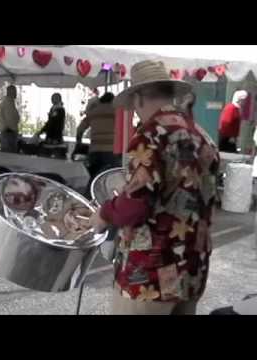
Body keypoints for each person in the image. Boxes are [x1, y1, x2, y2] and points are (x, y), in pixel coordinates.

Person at [89, 60, 220, 315]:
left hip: (150, 275)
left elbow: (135, 205)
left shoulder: (150, 134)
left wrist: (104, 213)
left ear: (137, 98)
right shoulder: (202, 134)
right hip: (192, 268)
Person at [75, 92, 119, 179]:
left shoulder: (93, 111)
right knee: (110, 179)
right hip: (111, 151)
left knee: (94, 178)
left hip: (94, 151)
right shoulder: (116, 111)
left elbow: (80, 130)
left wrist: (79, 142)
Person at [0, 85, 21, 153]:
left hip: (7, 133)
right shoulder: (8, 103)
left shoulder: (8, 102)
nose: (16, 93)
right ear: (10, 92)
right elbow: (10, 120)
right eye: (15, 91)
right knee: (9, 156)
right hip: (9, 133)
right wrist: (14, 129)